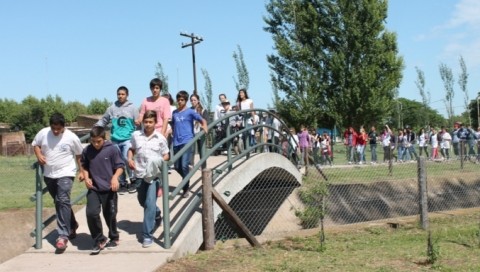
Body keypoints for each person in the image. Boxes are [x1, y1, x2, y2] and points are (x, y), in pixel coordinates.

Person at [32, 112, 84, 251]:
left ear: (63, 126)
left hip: (66, 173)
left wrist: (81, 171)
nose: (55, 131)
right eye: (53, 128)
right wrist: (38, 154)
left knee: (62, 200)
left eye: (58, 128)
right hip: (49, 174)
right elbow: (35, 144)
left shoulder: (71, 137)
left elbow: (79, 154)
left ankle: (63, 236)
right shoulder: (43, 133)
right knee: (60, 202)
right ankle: (72, 225)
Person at [79, 126, 124, 254]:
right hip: (94, 188)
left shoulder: (112, 150)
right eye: (93, 141)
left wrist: (115, 177)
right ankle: (99, 239)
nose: (96, 144)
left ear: (104, 139)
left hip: (109, 189)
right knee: (91, 213)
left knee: (110, 215)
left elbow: (120, 166)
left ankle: (114, 237)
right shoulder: (87, 150)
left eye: (98, 141)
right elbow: (84, 165)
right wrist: (86, 177)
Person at [128, 110, 170, 248]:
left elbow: (166, 155)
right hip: (139, 174)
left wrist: (158, 161)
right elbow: (131, 149)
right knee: (142, 201)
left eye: (151, 122)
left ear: (155, 123)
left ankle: (147, 235)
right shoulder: (136, 135)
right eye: (146, 122)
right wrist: (129, 159)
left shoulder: (160, 138)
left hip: (153, 176)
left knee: (150, 204)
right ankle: (157, 214)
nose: (148, 124)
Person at [95, 86, 138, 193]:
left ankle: (133, 180)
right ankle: (122, 182)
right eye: (119, 94)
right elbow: (104, 120)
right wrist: (96, 127)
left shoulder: (133, 108)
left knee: (126, 159)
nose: (120, 96)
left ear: (127, 95)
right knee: (117, 162)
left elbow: (138, 122)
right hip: (115, 139)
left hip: (127, 138)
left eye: (123, 94)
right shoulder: (112, 108)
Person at [172, 91, 208, 198]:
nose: (179, 101)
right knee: (177, 166)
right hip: (176, 142)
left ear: (186, 101)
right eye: (178, 99)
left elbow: (202, 120)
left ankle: (185, 188)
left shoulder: (190, 112)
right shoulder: (174, 113)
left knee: (184, 165)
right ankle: (186, 179)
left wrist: (205, 127)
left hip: (187, 141)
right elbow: (173, 126)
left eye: (182, 100)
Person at [189, 93, 209, 168]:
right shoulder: (189, 110)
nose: (193, 101)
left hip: (200, 132)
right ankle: (191, 165)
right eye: (191, 100)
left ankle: (203, 166)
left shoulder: (203, 110)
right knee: (191, 150)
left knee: (202, 150)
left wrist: (203, 128)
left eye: (194, 100)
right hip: (191, 133)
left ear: (198, 101)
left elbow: (207, 121)